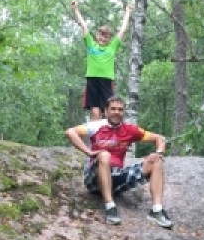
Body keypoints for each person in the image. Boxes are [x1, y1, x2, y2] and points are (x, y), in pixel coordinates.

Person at [65, 96, 173, 228]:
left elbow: (159, 138)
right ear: (105, 111)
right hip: (95, 179)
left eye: (120, 109)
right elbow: (70, 132)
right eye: (113, 109)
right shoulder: (96, 126)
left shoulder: (130, 130)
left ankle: (156, 210)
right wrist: (88, 152)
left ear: (124, 112)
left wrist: (159, 153)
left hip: (116, 178)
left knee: (157, 162)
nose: (116, 112)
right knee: (104, 155)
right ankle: (110, 208)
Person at [71, 0, 132, 120]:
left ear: (109, 38)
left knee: (107, 110)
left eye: (106, 36)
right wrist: (76, 10)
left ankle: (106, 135)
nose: (103, 38)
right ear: (97, 35)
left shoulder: (112, 47)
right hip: (92, 79)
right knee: (94, 111)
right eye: (101, 35)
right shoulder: (91, 44)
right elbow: (83, 26)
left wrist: (128, 12)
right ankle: (95, 137)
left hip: (106, 80)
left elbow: (123, 30)